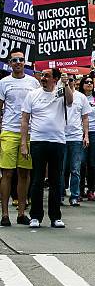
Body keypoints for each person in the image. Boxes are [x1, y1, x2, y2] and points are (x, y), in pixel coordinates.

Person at [21, 69, 73, 228]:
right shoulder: (32, 94)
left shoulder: (60, 92)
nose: (43, 78)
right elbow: (24, 119)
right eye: (42, 76)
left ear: (55, 79)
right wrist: (24, 143)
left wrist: (66, 84)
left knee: (56, 180)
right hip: (38, 141)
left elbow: (70, 101)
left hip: (57, 141)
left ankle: (55, 216)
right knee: (37, 179)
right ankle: (35, 216)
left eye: (47, 76)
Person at [0, 48, 40, 226]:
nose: (18, 63)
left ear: (25, 62)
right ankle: (5, 214)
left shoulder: (33, 82)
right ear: (10, 64)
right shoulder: (3, 82)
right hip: (9, 131)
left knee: (24, 173)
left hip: (29, 132)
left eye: (21, 60)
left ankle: (22, 212)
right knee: (7, 173)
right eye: (14, 60)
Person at [63, 76, 91, 206]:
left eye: (71, 79)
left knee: (75, 169)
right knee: (61, 169)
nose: (69, 82)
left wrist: (86, 135)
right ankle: (60, 195)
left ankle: (74, 195)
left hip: (75, 137)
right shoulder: (58, 94)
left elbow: (85, 118)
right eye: (66, 79)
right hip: (60, 136)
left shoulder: (81, 97)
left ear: (75, 81)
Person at [79, 75, 95, 201]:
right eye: (86, 82)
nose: (89, 84)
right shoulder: (78, 97)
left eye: (91, 82)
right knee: (82, 162)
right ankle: (80, 189)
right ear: (82, 84)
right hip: (80, 132)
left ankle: (91, 190)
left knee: (92, 162)